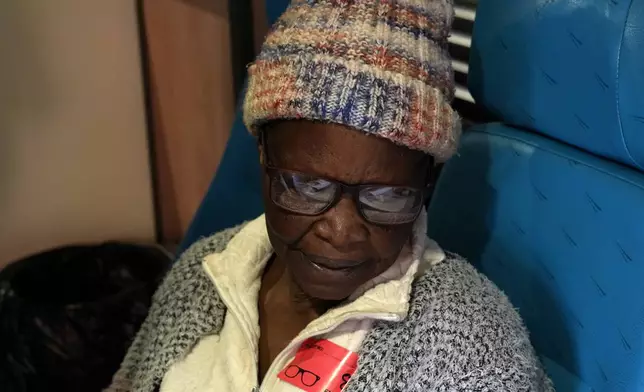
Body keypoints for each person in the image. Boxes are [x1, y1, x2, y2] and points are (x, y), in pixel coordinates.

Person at [108, 0, 552, 391]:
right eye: (308, 185)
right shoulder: (204, 272)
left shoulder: (469, 344)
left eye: (389, 195)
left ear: (427, 185)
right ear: (263, 156)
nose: (341, 231)